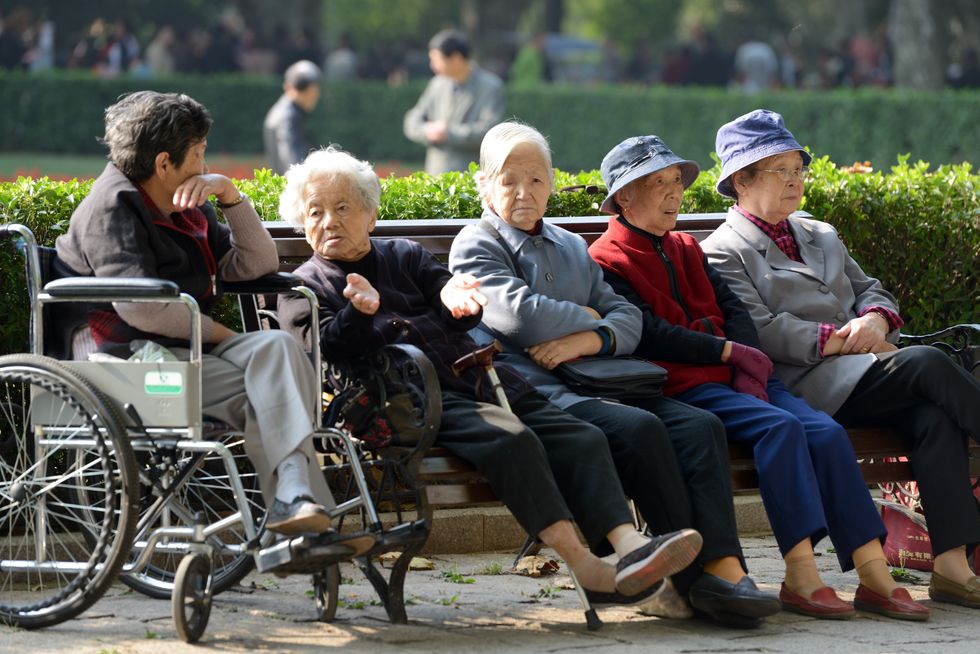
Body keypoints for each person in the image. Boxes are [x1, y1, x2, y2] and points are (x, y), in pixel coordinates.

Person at [275, 146, 703, 606]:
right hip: (406, 397)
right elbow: (324, 357)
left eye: (342, 208)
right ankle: (588, 567)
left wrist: (461, 298)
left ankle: (630, 546)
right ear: (302, 221)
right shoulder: (304, 288)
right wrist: (359, 314)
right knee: (512, 440)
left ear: (371, 215)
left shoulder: (404, 255)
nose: (329, 221)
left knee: (580, 435)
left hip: (482, 378)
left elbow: (452, 298)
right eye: (315, 212)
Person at [448, 121, 780, 628]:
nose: (524, 192)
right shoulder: (477, 244)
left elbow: (628, 319)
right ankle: (678, 584)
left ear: (552, 184)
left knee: (700, 426)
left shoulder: (570, 245)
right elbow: (519, 316)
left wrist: (589, 336)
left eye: (537, 180)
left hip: (609, 378)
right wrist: (585, 315)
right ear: (486, 184)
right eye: (509, 179)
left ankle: (721, 569)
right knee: (640, 429)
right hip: (542, 391)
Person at [589, 132, 928, 622]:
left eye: (675, 181)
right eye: (657, 183)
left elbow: (734, 311)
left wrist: (740, 352)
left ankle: (875, 573)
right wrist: (724, 348)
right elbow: (651, 334)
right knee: (782, 428)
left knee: (827, 433)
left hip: (743, 373)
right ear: (624, 196)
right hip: (691, 386)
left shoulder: (687, 246)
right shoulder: (607, 259)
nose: (674, 192)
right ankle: (801, 574)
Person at [701, 108, 980, 612]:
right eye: (779, 170)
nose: (795, 181)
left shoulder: (821, 233)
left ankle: (953, 568)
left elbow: (873, 290)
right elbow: (761, 331)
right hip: (808, 385)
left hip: (868, 373)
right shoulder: (722, 251)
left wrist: (875, 319)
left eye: (798, 169)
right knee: (926, 363)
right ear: (741, 181)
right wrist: (846, 338)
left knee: (934, 417)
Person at [54, 91, 343, 541]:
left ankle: (294, 505)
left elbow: (256, 265)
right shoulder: (111, 207)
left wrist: (231, 197)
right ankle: (300, 523)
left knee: (280, 348)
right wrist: (222, 335)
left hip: (183, 353)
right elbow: (142, 307)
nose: (206, 163)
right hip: (122, 367)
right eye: (199, 153)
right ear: (165, 162)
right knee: (268, 393)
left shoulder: (185, 203)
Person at [403, 29, 504, 174]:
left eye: (436, 60)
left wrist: (448, 133)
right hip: (435, 175)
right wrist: (427, 130)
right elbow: (412, 120)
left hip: (471, 178)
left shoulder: (490, 86)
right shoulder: (437, 84)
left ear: (456, 58)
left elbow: (489, 130)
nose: (432, 66)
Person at [263, 59, 322, 174]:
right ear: (287, 87)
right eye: (302, 87)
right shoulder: (288, 116)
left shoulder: (285, 110)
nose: (310, 94)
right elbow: (293, 161)